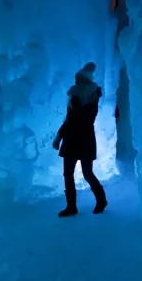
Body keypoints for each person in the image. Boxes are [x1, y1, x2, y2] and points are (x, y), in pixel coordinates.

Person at [52, 62, 108, 217]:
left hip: (84, 138)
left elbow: (86, 118)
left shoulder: (92, 95)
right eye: (75, 78)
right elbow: (68, 119)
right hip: (71, 138)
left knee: (87, 172)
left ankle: (101, 200)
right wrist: (59, 136)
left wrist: (76, 104)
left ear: (84, 79)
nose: (75, 80)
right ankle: (71, 206)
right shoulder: (74, 95)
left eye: (78, 78)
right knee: (68, 173)